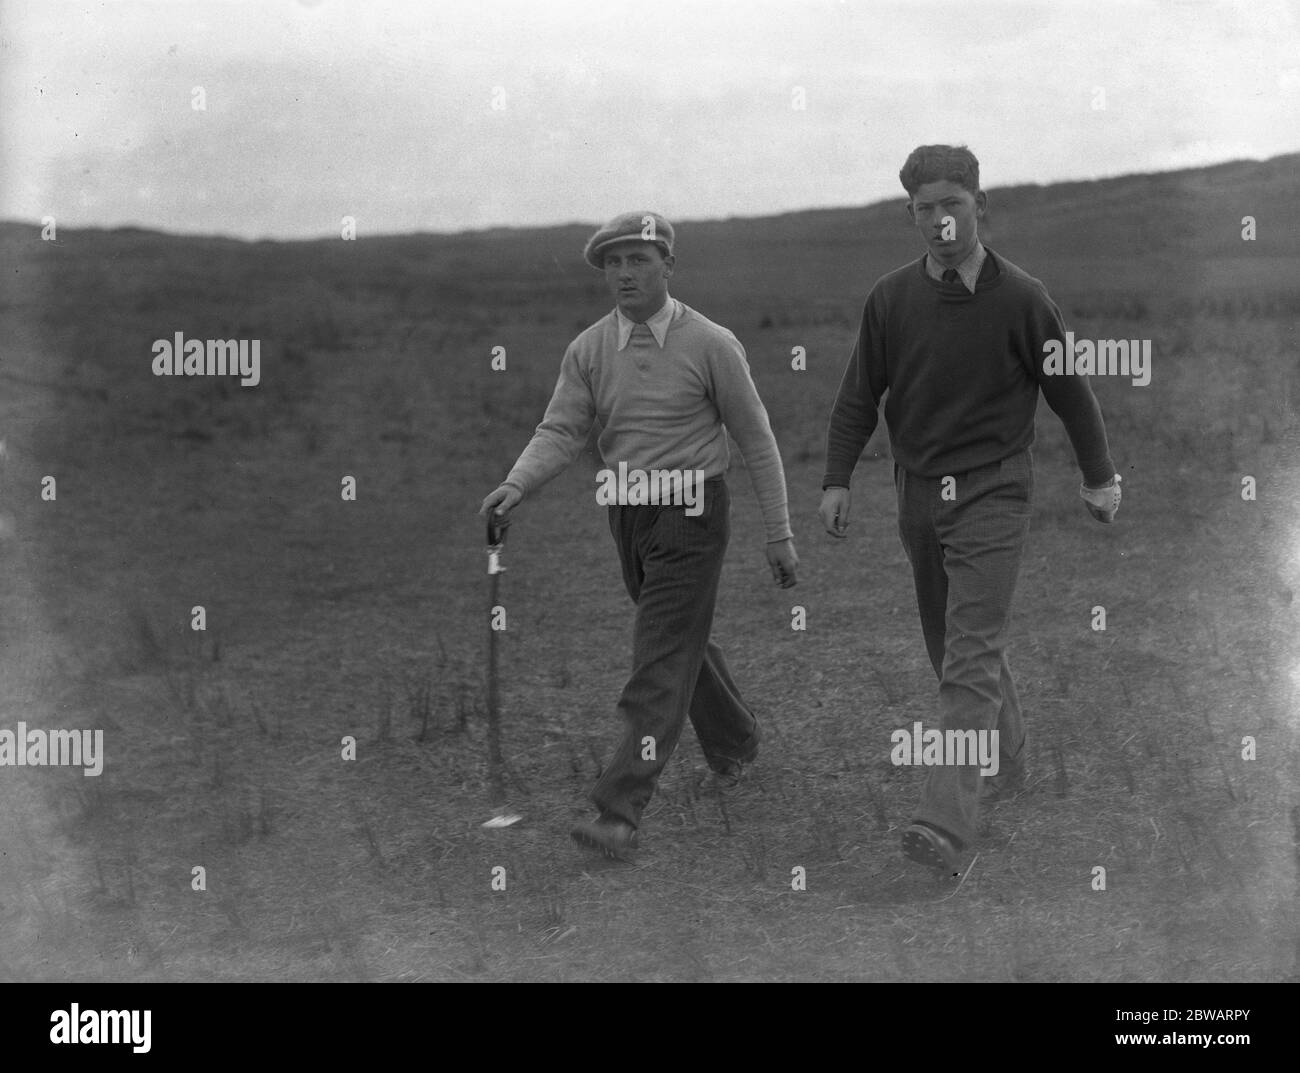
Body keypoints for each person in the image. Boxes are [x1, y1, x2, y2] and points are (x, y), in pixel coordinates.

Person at [819, 146, 1123, 875]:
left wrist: (1099, 477)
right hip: (917, 489)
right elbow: (861, 393)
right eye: (925, 208)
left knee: (970, 653)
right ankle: (1010, 760)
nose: (940, 219)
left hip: (993, 488)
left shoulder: (1022, 296)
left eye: (952, 203)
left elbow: (1070, 392)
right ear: (911, 215)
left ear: (979, 206)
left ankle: (945, 827)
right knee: (952, 645)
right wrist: (837, 477)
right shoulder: (890, 298)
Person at [480, 211, 799, 860]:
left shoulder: (711, 343)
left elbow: (756, 438)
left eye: (640, 259)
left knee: (657, 656)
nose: (625, 273)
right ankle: (736, 741)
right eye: (614, 262)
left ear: (668, 266)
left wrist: (780, 534)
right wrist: (517, 484)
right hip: (625, 510)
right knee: (679, 641)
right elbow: (563, 429)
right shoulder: (590, 349)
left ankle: (617, 811)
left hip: (693, 510)